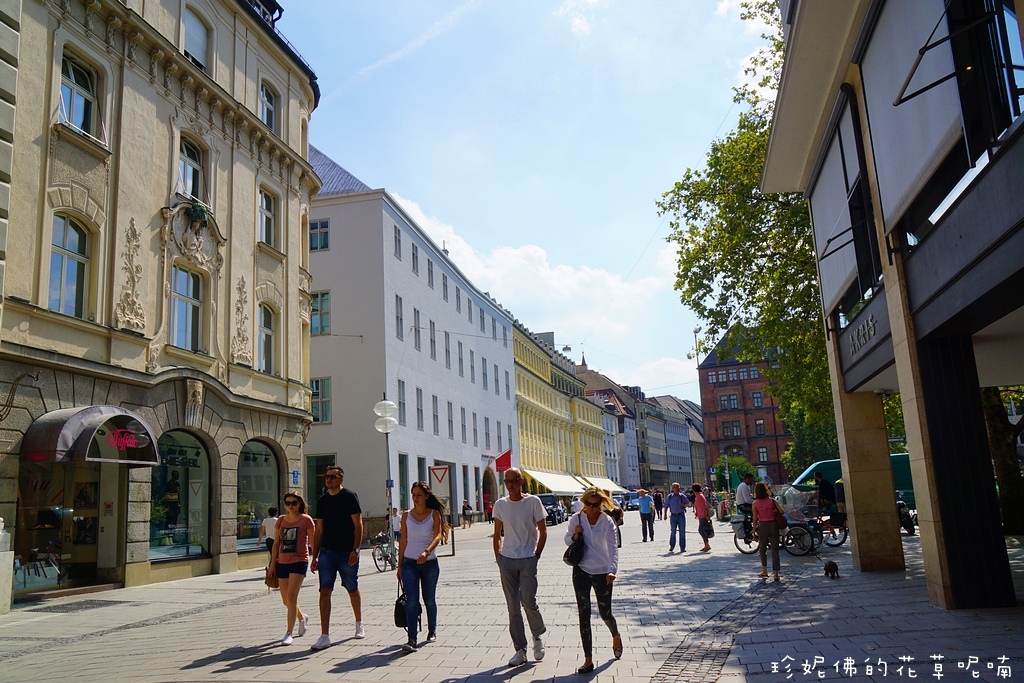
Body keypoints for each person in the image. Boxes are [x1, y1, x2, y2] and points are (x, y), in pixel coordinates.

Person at [492, 467, 547, 667]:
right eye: (507, 481)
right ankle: (520, 649)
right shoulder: (500, 504)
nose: (510, 485)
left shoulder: (533, 502)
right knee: (513, 607)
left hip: (527, 558)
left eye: (514, 481)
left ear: (521, 481)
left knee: (528, 601)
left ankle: (537, 636)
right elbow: (497, 533)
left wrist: (536, 555)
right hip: (507, 559)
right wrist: (499, 557)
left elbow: (543, 531)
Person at [565, 487, 623, 675]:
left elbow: (613, 548)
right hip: (581, 570)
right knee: (584, 614)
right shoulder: (577, 519)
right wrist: (575, 535)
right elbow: (567, 539)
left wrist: (612, 570)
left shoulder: (607, 521)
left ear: (601, 504)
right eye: (588, 504)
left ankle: (615, 634)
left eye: (596, 504)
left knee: (605, 613)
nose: (592, 508)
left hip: (602, 572)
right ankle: (588, 659)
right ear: (583, 502)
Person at [310, 465, 364, 650]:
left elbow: (358, 524)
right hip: (327, 552)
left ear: (341, 479)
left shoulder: (350, 497)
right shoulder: (322, 500)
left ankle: (359, 622)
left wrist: (355, 550)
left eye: (333, 477)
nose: (329, 479)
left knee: (352, 588)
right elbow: (319, 530)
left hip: (347, 551)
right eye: (327, 477)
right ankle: (324, 635)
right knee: (324, 590)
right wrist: (315, 556)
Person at [397, 482, 447, 652]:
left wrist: (427, 552)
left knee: (429, 600)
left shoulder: (434, 514)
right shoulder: (406, 515)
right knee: (411, 601)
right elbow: (403, 541)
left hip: (429, 563)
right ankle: (412, 639)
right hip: (409, 563)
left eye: (419, 495)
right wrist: (399, 566)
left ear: (426, 496)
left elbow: (438, 536)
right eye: (413, 495)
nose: (415, 498)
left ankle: (432, 629)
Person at [268, 492, 314, 645]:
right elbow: (276, 543)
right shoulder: (281, 520)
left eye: (294, 503)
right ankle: (302, 617)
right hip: (282, 562)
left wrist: (316, 559)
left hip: (299, 561)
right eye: (287, 503)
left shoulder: (306, 520)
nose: (290, 506)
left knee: (292, 596)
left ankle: (289, 633)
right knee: (286, 600)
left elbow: (313, 541)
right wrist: (272, 565)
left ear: (299, 503)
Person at [751, 481, 783, 582]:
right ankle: (776, 573)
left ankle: (764, 570)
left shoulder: (755, 503)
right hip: (773, 525)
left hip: (762, 526)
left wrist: (754, 530)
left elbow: (755, 519)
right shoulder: (772, 501)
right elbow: (781, 511)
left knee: (762, 549)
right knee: (775, 549)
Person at [664, 482, 689, 553]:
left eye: (678, 487)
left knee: (682, 532)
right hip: (673, 516)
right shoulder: (669, 497)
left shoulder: (682, 496)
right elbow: (666, 505)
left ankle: (682, 547)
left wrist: (684, 505)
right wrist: (665, 514)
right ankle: (672, 546)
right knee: (673, 532)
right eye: (675, 487)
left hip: (681, 515)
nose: (677, 489)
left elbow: (687, 503)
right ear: (672, 488)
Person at [692, 484, 713, 552]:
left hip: (703, 515)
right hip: (701, 515)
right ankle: (706, 544)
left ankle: (707, 544)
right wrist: (697, 512)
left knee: (701, 530)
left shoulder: (700, 496)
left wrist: (706, 515)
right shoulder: (699, 496)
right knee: (702, 530)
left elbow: (704, 506)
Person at [736, 473, 754, 540]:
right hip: (744, 506)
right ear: (747, 479)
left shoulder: (742, 485)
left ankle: (752, 526)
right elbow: (747, 500)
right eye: (751, 479)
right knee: (757, 511)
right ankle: (752, 528)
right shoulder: (744, 486)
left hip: (742, 505)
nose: (752, 481)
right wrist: (756, 502)